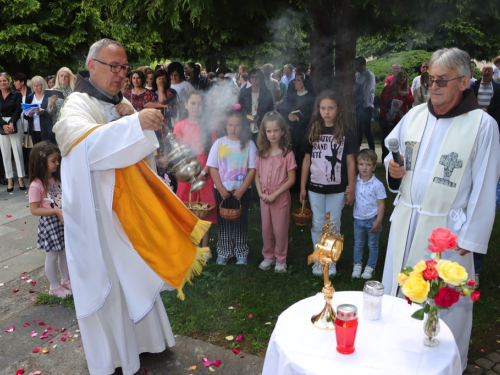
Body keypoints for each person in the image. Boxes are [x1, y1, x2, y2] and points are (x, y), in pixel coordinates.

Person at [52, 38, 210, 375]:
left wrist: (135, 119)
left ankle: (146, 342)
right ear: (91, 65)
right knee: (110, 281)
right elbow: (87, 149)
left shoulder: (119, 101)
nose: (122, 73)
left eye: (124, 67)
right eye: (114, 66)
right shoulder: (76, 105)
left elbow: (131, 150)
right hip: (96, 217)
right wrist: (133, 124)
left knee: (133, 275)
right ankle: (114, 357)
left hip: (122, 211)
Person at [382, 47, 500, 371]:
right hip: (406, 221)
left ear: (464, 82)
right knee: (399, 297)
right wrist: (393, 170)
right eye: (430, 79)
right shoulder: (416, 114)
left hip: (446, 235)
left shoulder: (482, 126)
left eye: (442, 80)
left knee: (439, 307)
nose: (433, 86)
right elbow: (392, 153)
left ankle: (439, 367)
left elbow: (485, 188)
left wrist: (469, 242)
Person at [299, 90, 357, 276]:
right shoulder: (313, 130)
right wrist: (302, 186)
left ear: (338, 109)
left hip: (337, 189)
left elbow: (350, 162)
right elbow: (306, 160)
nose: (326, 112)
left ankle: (330, 261)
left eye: (330, 108)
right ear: (318, 109)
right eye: (323, 108)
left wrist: (351, 188)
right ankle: (319, 258)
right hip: (315, 188)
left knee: (333, 224)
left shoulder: (345, 132)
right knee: (317, 223)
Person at [207, 107, 257, 266]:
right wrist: (221, 188)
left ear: (242, 126)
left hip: (242, 191)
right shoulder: (219, 143)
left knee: (240, 222)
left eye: (237, 125)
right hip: (223, 191)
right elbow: (213, 167)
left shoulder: (249, 144)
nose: (233, 129)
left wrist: (242, 190)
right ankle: (224, 251)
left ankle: (241, 251)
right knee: (224, 223)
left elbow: (252, 169)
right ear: (225, 126)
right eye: (230, 125)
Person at [173, 91, 217, 251]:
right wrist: (189, 172)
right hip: (186, 171)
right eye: (193, 103)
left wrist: (204, 172)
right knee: (187, 204)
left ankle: (205, 246)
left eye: (200, 104)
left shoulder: (209, 125)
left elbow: (214, 151)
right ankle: (191, 243)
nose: (196, 107)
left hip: (206, 169)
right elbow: (177, 152)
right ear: (186, 105)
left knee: (205, 205)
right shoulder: (180, 126)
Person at [28, 141, 71, 297]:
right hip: (50, 224)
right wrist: (55, 211)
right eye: (53, 161)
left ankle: (66, 280)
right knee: (52, 255)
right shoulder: (36, 185)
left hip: (60, 221)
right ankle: (54, 286)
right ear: (41, 162)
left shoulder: (56, 179)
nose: (57, 164)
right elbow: (34, 209)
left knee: (64, 252)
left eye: (57, 160)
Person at [255, 111, 296, 273]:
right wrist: (260, 193)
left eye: (276, 130)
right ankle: (268, 255)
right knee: (266, 228)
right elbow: (257, 176)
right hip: (264, 196)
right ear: (264, 132)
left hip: (280, 197)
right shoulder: (261, 153)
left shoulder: (287, 154)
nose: (272, 134)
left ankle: (280, 258)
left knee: (280, 229)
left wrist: (275, 194)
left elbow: (291, 179)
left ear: (283, 132)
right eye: (269, 131)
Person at [351, 149, 386, 279]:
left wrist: (378, 221)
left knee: (372, 245)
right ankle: (357, 265)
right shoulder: (355, 181)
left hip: (372, 220)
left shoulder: (377, 184)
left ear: (374, 167)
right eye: (361, 164)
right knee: (358, 244)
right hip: (358, 220)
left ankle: (370, 266)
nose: (364, 167)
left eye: (368, 164)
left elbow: (382, 204)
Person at [379, 71, 414, 160]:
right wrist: (393, 100)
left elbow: (411, 101)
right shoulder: (389, 88)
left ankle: (397, 158)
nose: (402, 79)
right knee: (387, 138)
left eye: (404, 77)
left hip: (400, 119)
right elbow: (383, 99)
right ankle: (385, 158)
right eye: (400, 77)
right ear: (396, 78)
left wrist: (405, 95)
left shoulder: (407, 89)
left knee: (398, 139)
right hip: (388, 117)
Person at [0, 73, 25, 192]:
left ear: (8, 81)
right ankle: (10, 178)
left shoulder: (16, 94)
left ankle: (20, 177)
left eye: (4, 80)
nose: (2, 83)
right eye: (0, 81)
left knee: (17, 152)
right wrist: (3, 125)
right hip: (1, 125)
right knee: (5, 154)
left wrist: (11, 123)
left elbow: (18, 109)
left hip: (14, 122)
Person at [239, 68, 274, 137]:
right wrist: (246, 117)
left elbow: (270, 110)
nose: (254, 79)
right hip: (246, 127)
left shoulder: (267, 92)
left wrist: (260, 117)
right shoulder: (244, 92)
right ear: (249, 78)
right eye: (252, 77)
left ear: (260, 78)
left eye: (257, 77)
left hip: (262, 126)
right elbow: (240, 108)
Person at [143, 69, 178, 135]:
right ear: (155, 80)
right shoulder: (149, 92)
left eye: (163, 79)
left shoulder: (171, 91)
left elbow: (163, 100)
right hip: (153, 124)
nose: (161, 81)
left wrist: (160, 87)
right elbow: (146, 104)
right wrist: (162, 106)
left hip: (168, 123)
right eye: (159, 79)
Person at [24, 76, 58, 144]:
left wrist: (43, 111)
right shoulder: (30, 97)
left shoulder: (48, 96)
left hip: (46, 128)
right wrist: (29, 115)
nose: (36, 88)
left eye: (38, 85)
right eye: (34, 85)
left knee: (46, 149)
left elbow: (53, 112)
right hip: (33, 128)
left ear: (43, 85)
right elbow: (25, 113)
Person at [355, 56, 376, 150]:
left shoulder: (370, 75)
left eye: (356, 64)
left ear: (361, 64)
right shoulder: (357, 75)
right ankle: (357, 149)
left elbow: (366, 91)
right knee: (358, 128)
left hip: (367, 106)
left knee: (366, 130)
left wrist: (358, 89)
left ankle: (372, 151)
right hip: (358, 106)